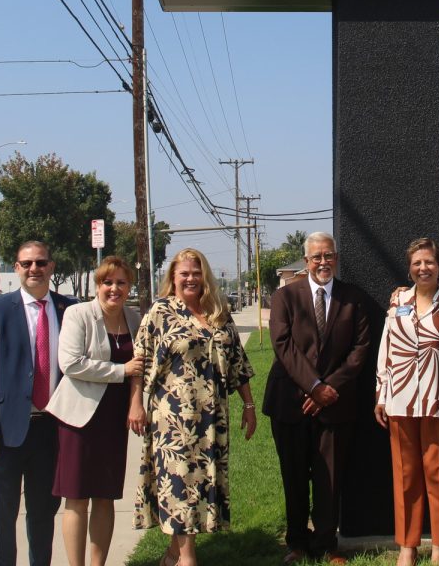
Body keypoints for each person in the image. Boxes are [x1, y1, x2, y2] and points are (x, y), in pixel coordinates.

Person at [132, 248, 256, 566]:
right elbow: (139, 361)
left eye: (196, 272)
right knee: (180, 484)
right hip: (172, 419)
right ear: (173, 277)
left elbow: (238, 363)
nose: (190, 278)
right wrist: (136, 404)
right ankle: (188, 558)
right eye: (184, 273)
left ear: (205, 277)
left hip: (212, 418)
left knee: (199, 486)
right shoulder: (159, 312)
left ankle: (173, 554)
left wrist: (249, 405)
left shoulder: (218, 312)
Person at [263, 232, 370, 566]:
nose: (323, 262)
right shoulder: (285, 296)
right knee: (294, 476)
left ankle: (326, 544)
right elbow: (282, 344)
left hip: (336, 404)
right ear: (306, 261)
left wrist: (328, 389)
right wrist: (313, 386)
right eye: (316, 257)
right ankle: (295, 542)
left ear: (336, 258)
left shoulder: (354, 298)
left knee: (330, 477)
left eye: (329, 256)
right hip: (290, 403)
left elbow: (360, 348)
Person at [375, 238, 439, 566]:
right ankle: (407, 545)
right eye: (417, 263)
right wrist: (381, 393)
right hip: (400, 400)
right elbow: (386, 348)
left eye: (429, 262)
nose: (424, 268)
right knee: (406, 475)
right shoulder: (398, 300)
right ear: (410, 267)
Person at [0, 241, 77, 566]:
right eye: (27, 263)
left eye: (41, 262)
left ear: (52, 266)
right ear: (16, 268)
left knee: (44, 514)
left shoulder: (70, 310)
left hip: (52, 431)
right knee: (2, 519)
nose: (34, 269)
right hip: (5, 433)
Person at [47, 256, 144, 566]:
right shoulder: (78, 314)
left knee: (106, 496)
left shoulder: (134, 319)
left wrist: (135, 401)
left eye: (121, 282)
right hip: (80, 419)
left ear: (129, 286)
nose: (114, 289)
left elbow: (140, 367)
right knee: (76, 498)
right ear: (97, 285)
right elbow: (71, 364)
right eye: (107, 282)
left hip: (114, 419)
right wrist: (120, 370)